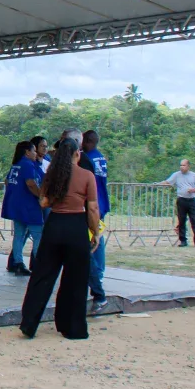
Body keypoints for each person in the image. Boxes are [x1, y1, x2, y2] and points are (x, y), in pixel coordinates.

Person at [19, 137, 100, 340]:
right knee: (75, 279)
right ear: (77, 154)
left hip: (55, 225)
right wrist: (95, 232)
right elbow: (92, 208)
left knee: (42, 276)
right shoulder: (87, 175)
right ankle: (72, 327)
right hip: (76, 226)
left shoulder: (50, 174)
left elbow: (44, 202)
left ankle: (29, 324)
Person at [79, 130, 111, 313]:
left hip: (92, 205)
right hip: (100, 203)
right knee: (95, 239)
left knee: (92, 241)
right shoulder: (100, 158)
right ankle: (97, 274)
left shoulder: (87, 159)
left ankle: (96, 275)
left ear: (89, 141)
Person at [4, 141, 44, 276]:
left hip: (16, 205)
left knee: (19, 235)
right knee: (38, 235)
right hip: (29, 206)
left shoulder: (16, 165)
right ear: (27, 152)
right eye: (33, 151)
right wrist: (41, 196)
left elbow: (7, 181)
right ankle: (40, 265)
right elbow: (31, 183)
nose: (35, 153)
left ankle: (18, 263)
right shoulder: (27, 164)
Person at [161, 159, 195, 248]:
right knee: (181, 221)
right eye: (181, 165)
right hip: (181, 200)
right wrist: (158, 184)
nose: (182, 167)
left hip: (192, 200)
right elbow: (168, 182)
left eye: (184, 165)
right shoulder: (176, 175)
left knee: (194, 221)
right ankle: (183, 240)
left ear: (188, 166)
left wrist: (193, 190)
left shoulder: (194, 175)